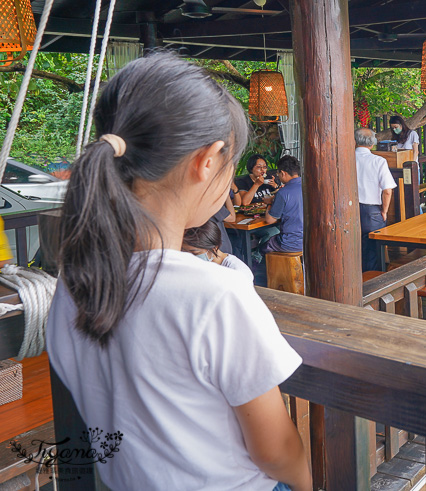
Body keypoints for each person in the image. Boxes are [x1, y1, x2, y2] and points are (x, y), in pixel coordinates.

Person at [47, 53, 310, 491]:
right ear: (207, 161)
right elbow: (277, 449)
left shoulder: (72, 288)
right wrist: (305, 483)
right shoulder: (216, 294)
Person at [355, 127, 397, 272]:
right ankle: (371, 287)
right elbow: (387, 191)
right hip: (371, 211)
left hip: (349, 210)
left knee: (353, 249)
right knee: (373, 252)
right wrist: (384, 211)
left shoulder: (345, 159)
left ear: (355, 141)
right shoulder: (378, 161)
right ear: (372, 143)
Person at [259, 155, 304, 284]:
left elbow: (270, 220)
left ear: (283, 173)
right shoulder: (309, 186)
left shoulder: (283, 193)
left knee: (262, 246)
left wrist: (269, 203)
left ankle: (266, 282)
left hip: (290, 243)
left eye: (278, 173)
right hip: (309, 240)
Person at [182, 219, 254, 283]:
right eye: (184, 252)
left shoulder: (238, 272)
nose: (189, 257)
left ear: (214, 248)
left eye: (195, 253)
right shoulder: (201, 267)